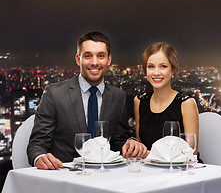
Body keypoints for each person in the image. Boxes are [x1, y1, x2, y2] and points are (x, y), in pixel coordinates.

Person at [27, 31, 147, 170]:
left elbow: (117, 141)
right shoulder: (54, 93)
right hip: (66, 177)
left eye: (100, 56)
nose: (94, 62)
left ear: (108, 60)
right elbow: (36, 145)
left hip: (106, 177)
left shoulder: (118, 96)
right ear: (78, 59)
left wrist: (129, 143)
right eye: (88, 56)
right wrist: (39, 157)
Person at [133, 42, 199, 156]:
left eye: (163, 66)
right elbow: (141, 145)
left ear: (173, 70)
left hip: (181, 171)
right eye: (151, 66)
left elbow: (191, 153)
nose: (156, 72)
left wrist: (148, 155)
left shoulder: (186, 103)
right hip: (148, 170)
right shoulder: (139, 101)